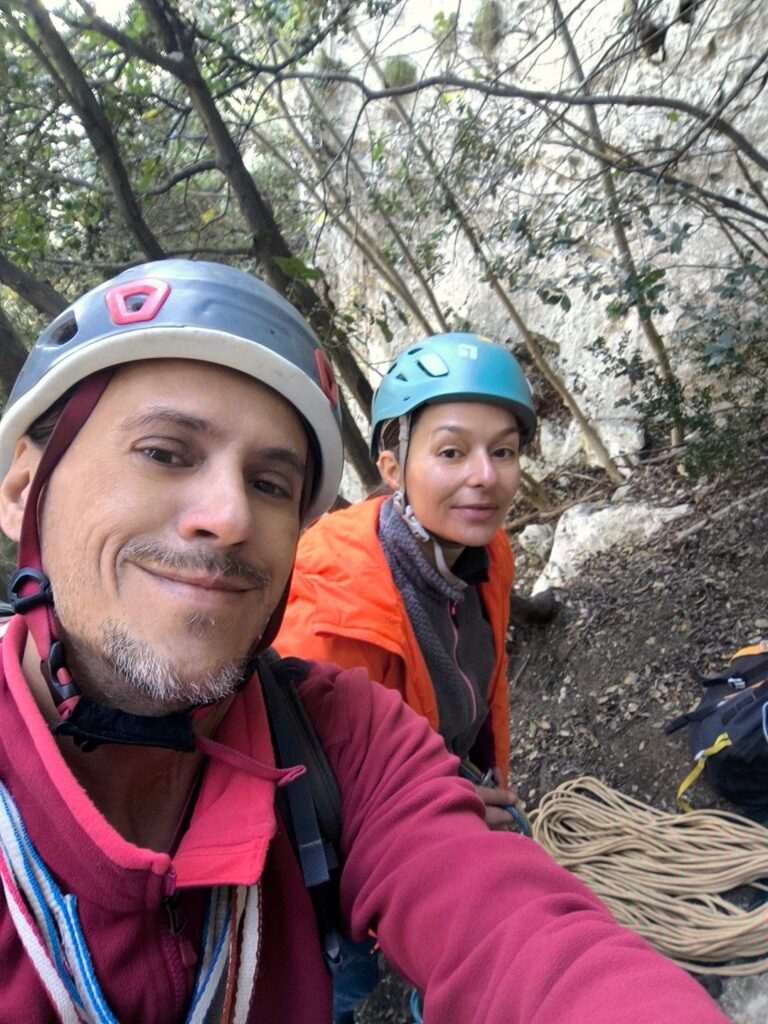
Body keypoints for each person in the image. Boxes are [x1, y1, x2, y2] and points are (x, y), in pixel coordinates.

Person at [0, 259, 727, 1024]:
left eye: (271, 484)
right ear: (22, 491)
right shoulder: (334, 619)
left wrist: (474, 785)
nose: (230, 515)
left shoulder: (346, 718)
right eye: (164, 452)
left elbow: (519, 941)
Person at [275, 334, 535, 1021]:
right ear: (392, 467)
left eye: (503, 451)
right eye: (451, 452)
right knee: (338, 983)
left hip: (442, 792)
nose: (485, 476)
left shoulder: (485, 551)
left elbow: (479, 683)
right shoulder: (332, 609)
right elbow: (306, 791)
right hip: (342, 859)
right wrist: (447, 808)